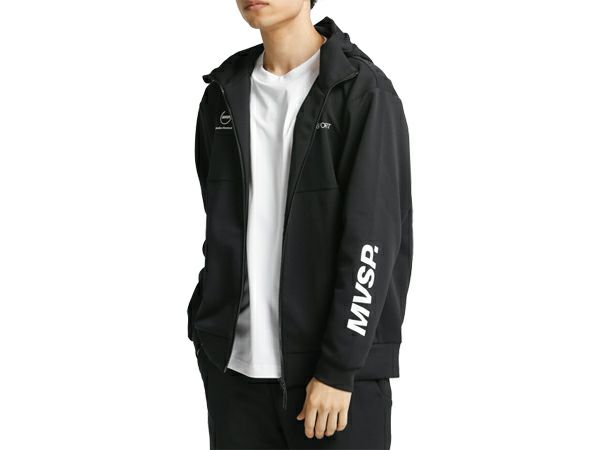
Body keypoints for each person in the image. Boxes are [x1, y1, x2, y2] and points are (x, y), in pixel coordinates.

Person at [187, 1, 413, 448]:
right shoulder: (223, 94)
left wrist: (339, 368)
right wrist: (207, 332)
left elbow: (372, 245)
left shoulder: (362, 92)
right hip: (234, 377)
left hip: (332, 385)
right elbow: (219, 223)